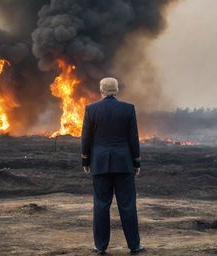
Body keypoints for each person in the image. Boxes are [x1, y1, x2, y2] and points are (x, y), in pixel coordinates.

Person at [81, 77, 145, 255]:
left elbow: (86, 138)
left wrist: (86, 160)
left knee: (101, 205)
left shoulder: (91, 109)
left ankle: (100, 246)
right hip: (124, 164)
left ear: (101, 90)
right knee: (127, 205)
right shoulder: (128, 108)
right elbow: (133, 138)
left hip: (100, 164)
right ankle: (134, 246)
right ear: (116, 90)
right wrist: (136, 161)